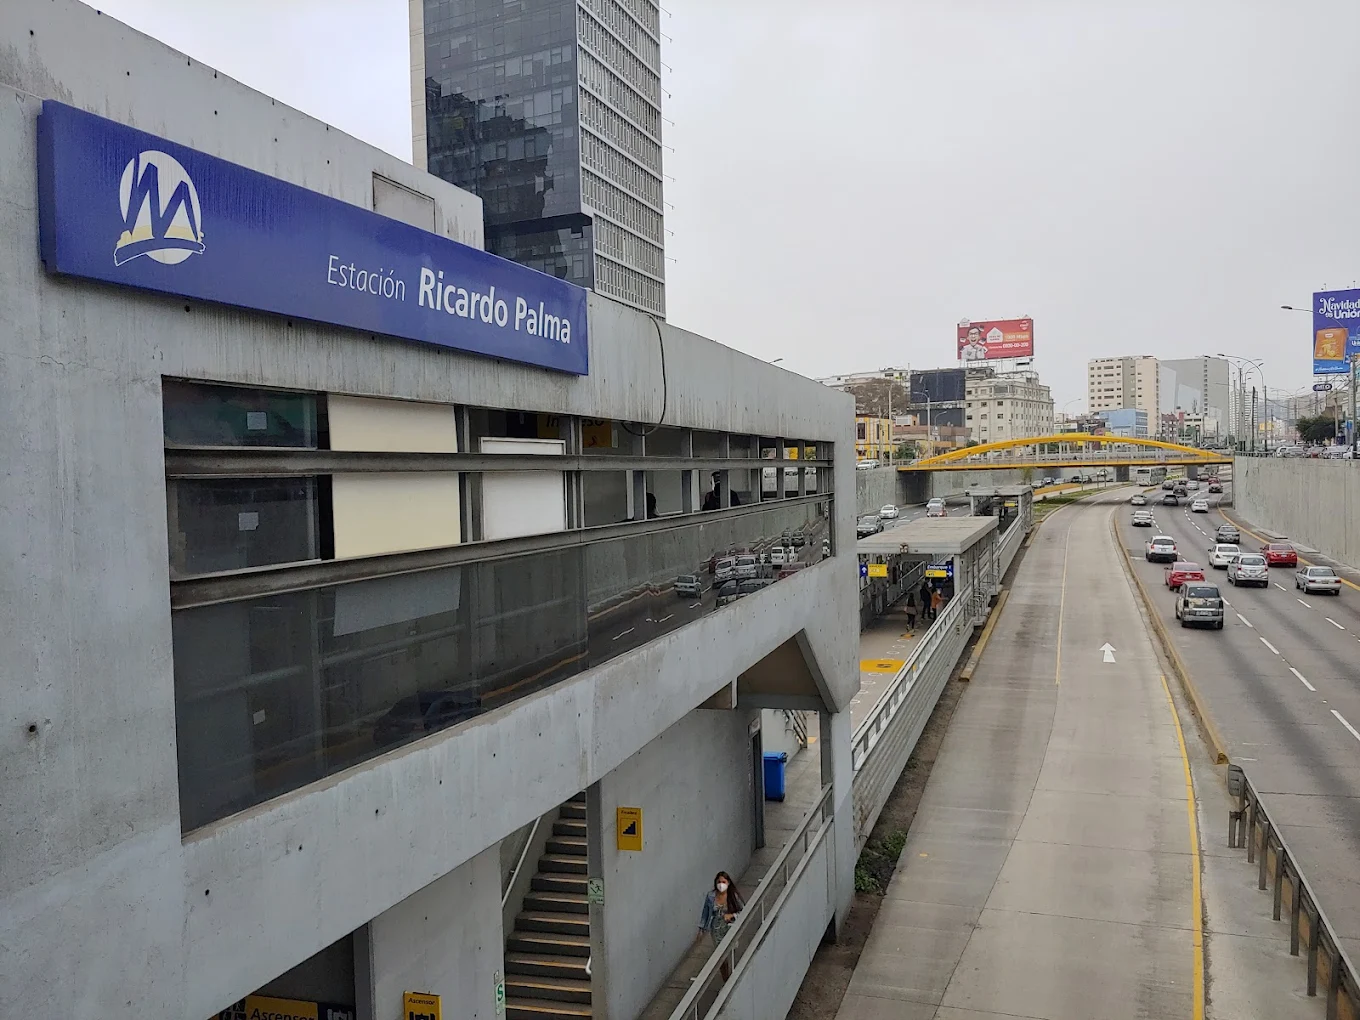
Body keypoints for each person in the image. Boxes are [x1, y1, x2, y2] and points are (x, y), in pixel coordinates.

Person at [697, 871, 744, 979]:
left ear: (728, 883)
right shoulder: (711, 896)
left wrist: (732, 915)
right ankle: (725, 977)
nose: (721, 884)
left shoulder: (733, 896)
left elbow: (743, 910)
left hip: (729, 927)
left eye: (723, 882)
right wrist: (701, 929)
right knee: (721, 955)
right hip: (716, 929)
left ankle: (732, 972)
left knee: (730, 949)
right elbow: (705, 912)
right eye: (719, 882)